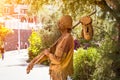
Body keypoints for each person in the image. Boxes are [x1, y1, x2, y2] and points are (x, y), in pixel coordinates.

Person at [26, 15, 74, 80]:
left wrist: (48, 54)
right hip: (56, 74)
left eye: (60, 22)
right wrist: (33, 62)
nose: (58, 24)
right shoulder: (62, 38)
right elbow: (46, 53)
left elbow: (58, 61)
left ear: (64, 25)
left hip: (60, 75)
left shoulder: (67, 39)